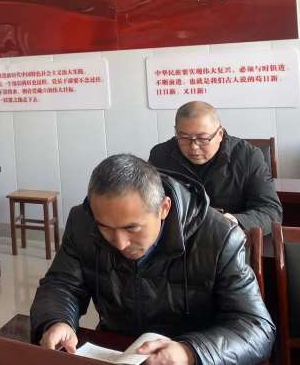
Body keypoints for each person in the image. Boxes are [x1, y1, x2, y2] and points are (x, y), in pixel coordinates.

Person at [31, 154, 275, 365]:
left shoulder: (218, 236)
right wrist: (56, 321)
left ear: (164, 208)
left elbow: (256, 328)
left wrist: (189, 351)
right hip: (118, 350)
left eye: (132, 228)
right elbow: (61, 284)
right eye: (105, 228)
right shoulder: (82, 223)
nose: (120, 243)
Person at [148, 101, 282, 234]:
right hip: (179, 237)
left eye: (202, 138)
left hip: (232, 237)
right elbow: (147, 203)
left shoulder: (248, 157)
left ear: (220, 134)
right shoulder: (160, 155)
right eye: (184, 138)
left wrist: (234, 221)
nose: (194, 147)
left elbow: (271, 211)